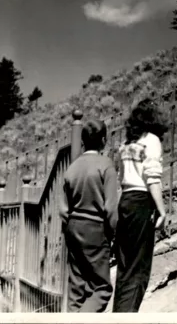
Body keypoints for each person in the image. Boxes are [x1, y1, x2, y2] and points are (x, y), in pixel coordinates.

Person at [112, 98, 168, 312]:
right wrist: (162, 210)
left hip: (125, 201)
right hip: (141, 202)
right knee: (139, 270)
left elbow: (121, 177)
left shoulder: (125, 144)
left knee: (125, 268)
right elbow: (152, 178)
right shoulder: (151, 140)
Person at [59, 119, 118, 313]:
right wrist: (114, 234)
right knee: (102, 288)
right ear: (103, 140)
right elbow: (110, 208)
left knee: (76, 288)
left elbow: (63, 210)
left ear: (83, 141)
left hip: (73, 228)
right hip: (95, 229)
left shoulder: (72, 168)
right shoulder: (106, 165)